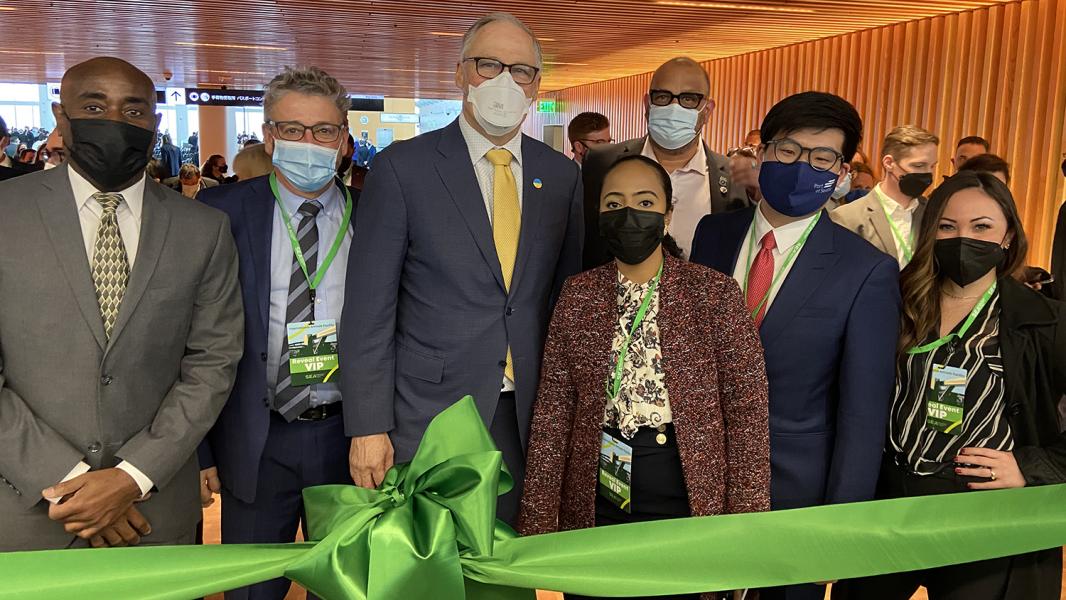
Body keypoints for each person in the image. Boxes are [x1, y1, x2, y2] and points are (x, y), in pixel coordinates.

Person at [340, 12, 583, 526]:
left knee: (509, 566)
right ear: (459, 73)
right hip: (429, 415)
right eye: (488, 64)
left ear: (537, 84)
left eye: (521, 70)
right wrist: (367, 426)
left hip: (527, 416)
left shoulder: (560, 176)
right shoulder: (402, 168)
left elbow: (564, 299)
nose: (504, 82)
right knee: (432, 569)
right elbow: (368, 309)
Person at [0, 56, 243, 552]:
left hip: (154, 512)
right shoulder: (6, 214)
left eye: (134, 111)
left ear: (154, 122)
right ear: (60, 115)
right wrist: (70, 484)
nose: (115, 121)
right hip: (28, 514)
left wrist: (132, 478)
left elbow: (213, 363)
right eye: (94, 105)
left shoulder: (203, 229)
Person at [518, 155, 770, 600]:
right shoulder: (578, 295)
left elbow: (747, 416)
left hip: (685, 497)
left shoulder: (712, 293)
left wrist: (746, 535)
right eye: (613, 204)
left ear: (667, 213)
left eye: (645, 201)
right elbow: (554, 412)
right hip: (597, 500)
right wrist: (538, 525)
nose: (628, 214)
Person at [690, 91, 900, 600]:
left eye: (822, 157)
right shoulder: (712, 236)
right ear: (762, 151)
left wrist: (840, 526)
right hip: (694, 479)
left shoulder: (865, 269)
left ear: (842, 170)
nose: (803, 165)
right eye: (788, 150)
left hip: (794, 493)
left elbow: (862, 413)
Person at [832, 171, 1066, 600]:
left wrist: (1031, 466)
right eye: (947, 226)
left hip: (980, 510)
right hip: (891, 503)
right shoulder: (896, 299)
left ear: (1008, 236)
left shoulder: (1044, 321)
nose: (964, 239)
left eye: (981, 227)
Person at [197, 66, 360, 600]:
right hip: (255, 438)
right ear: (269, 137)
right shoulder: (220, 213)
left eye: (322, 131)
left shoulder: (377, 211)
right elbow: (191, 338)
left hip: (351, 438)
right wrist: (201, 453)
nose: (307, 143)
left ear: (343, 140)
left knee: (345, 588)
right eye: (291, 129)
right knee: (249, 589)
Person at [581, 57, 748, 268]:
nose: (673, 107)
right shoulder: (600, 163)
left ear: (707, 109)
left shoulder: (735, 179)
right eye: (662, 97)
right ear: (647, 104)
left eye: (688, 99)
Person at [831, 125, 939, 268]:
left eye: (932, 166)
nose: (928, 174)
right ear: (889, 163)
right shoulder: (847, 218)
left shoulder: (935, 214)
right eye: (919, 166)